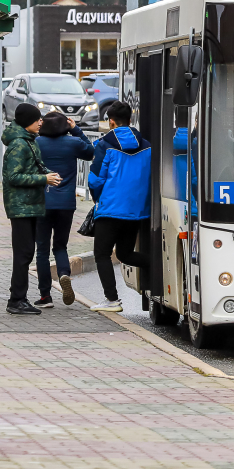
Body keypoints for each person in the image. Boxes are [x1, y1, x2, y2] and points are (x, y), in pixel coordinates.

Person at [87, 101, 151, 312]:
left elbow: (95, 180)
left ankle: (112, 300)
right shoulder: (147, 146)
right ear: (130, 120)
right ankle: (157, 267)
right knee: (125, 253)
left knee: (102, 254)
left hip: (110, 209)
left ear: (111, 121)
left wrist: (99, 199)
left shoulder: (104, 145)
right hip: (136, 211)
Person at [2, 103, 61, 315]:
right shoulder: (19, 144)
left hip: (30, 205)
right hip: (21, 207)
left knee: (26, 253)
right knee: (24, 253)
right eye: (38, 120)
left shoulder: (29, 141)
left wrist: (48, 175)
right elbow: (13, 177)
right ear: (28, 122)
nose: (41, 122)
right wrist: (42, 178)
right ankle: (16, 300)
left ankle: (18, 298)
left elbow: (35, 166)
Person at [34, 112, 95, 308]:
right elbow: (91, 152)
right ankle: (64, 275)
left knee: (42, 250)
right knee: (60, 246)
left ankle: (45, 296)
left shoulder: (37, 143)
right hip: (66, 204)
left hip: (42, 202)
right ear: (64, 127)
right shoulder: (72, 143)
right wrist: (76, 129)